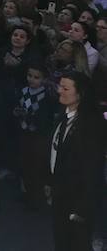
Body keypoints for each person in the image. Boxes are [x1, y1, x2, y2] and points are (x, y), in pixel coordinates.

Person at [49, 71, 106, 251]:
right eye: (60, 86)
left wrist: (82, 208)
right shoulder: (62, 116)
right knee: (61, 241)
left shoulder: (91, 125)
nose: (60, 91)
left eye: (65, 88)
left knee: (77, 243)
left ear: (80, 93)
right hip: (61, 193)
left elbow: (92, 168)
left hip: (77, 199)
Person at [15, 61, 53, 210]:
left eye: (36, 77)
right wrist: (17, 112)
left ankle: (36, 197)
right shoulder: (24, 90)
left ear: (43, 79)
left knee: (36, 167)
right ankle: (25, 193)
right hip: (24, 132)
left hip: (38, 136)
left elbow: (44, 120)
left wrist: (28, 116)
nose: (31, 79)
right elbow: (19, 105)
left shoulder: (46, 95)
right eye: (29, 75)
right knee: (24, 163)